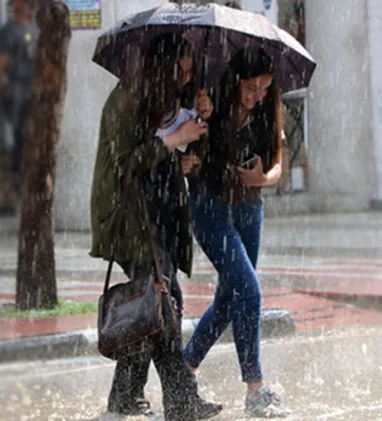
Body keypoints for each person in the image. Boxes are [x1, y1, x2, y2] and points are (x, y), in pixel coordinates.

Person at [89, 33, 221, 421]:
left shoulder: (164, 102)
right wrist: (172, 143)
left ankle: (131, 401)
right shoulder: (125, 100)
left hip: (157, 217)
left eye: (188, 72)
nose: (184, 80)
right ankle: (178, 403)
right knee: (160, 305)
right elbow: (124, 165)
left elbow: (181, 152)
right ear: (159, 68)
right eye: (177, 71)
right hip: (131, 220)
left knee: (159, 306)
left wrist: (202, 122)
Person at [183, 49, 289, 418]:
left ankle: (184, 369)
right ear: (237, 80)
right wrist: (205, 116)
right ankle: (255, 388)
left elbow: (278, 164)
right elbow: (190, 149)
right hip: (210, 207)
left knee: (231, 300)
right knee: (249, 290)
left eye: (264, 88)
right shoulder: (211, 101)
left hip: (249, 207)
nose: (257, 95)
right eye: (251, 87)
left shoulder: (267, 109)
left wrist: (263, 178)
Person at [0, 0, 38, 190]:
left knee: (38, 137)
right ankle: (22, 183)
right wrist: (0, 95)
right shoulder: (9, 31)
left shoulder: (37, 27)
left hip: (40, 89)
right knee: (23, 137)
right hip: (20, 90)